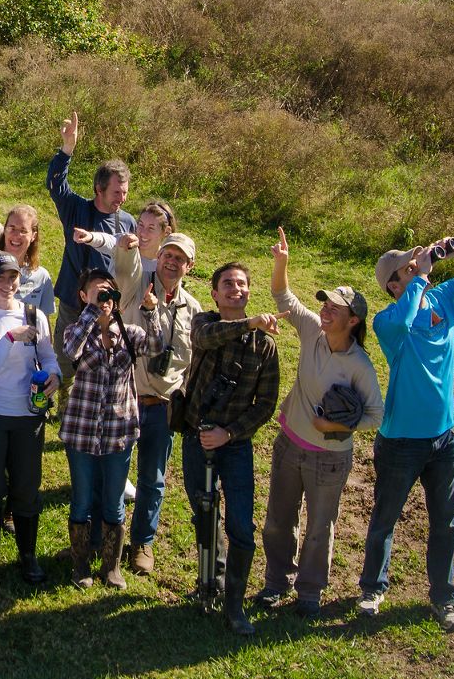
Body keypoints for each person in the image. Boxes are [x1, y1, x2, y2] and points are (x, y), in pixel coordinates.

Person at [358, 238, 454, 633]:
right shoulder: (387, 321)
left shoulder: (445, 302)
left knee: (446, 522)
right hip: (401, 441)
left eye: (416, 261)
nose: (418, 265)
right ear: (393, 284)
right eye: (406, 267)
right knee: (385, 518)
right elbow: (405, 321)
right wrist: (419, 278)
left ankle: (444, 597)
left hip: (444, 437)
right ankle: (372, 589)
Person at [253, 228, 384, 618]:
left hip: (330, 458)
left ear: (353, 320)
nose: (326, 310)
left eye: (335, 309)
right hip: (290, 444)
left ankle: (310, 592)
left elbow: (376, 415)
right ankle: (277, 583)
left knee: (318, 529)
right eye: (325, 304)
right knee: (278, 520)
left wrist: (334, 428)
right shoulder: (313, 332)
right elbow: (283, 297)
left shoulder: (360, 365)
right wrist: (282, 263)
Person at [73, 214, 195, 575]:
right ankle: (93, 540)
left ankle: (142, 543)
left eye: (180, 258)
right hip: (121, 402)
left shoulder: (193, 309)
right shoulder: (135, 283)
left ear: (190, 265)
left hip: (161, 405)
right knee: (103, 473)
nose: (171, 262)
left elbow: (189, 360)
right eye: (167, 256)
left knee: (152, 478)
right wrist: (127, 250)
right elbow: (123, 269)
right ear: (160, 257)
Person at [181, 262, 281, 636]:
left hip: (235, 447)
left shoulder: (265, 346)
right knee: (203, 515)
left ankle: (234, 606)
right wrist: (250, 323)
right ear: (215, 293)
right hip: (195, 439)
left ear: (249, 292)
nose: (235, 289)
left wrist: (229, 434)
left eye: (241, 284)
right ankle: (210, 582)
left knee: (240, 525)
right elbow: (206, 339)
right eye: (228, 284)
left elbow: (266, 403)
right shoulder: (203, 323)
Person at [61, 269, 166, 590]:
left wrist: (151, 312)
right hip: (81, 429)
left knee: (113, 502)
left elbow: (156, 345)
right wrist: (93, 310)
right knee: (81, 499)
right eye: (97, 292)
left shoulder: (129, 332)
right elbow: (70, 350)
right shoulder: (78, 330)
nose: (106, 299)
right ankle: (81, 564)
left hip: (118, 431)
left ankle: (111, 566)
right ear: (83, 296)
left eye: (110, 293)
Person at [0, 253, 60, 583]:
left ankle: (27, 555)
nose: (9, 284)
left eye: (13, 277)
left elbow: (48, 356)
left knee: (26, 488)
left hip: (27, 417)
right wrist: (9, 339)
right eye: (0, 277)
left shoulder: (34, 315)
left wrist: (54, 377)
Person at [46, 110, 135, 365]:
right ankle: (62, 401)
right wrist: (67, 149)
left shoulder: (127, 221)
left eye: (125, 192)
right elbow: (56, 186)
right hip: (74, 303)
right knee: (65, 363)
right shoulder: (77, 209)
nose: (122, 198)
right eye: (117, 192)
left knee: (100, 363)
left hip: (108, 306)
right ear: (99, 189)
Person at [0, 204, 54, 316]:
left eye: (23, 231)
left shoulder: (42, 276)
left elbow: (44, 323)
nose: (16, 235)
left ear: (33, 236)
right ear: (4, 230)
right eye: (12, 228)